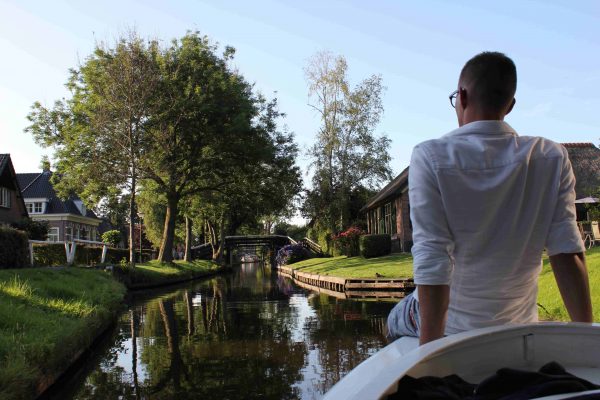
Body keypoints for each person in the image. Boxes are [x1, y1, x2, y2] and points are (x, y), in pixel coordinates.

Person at [387, 51, 593, 346]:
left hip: (454, 328)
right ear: (509, 105)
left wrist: (429, 357)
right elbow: (566, 251)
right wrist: (588, 343)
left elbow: (433, 255)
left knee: (394, 318)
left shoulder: (430, 156)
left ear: (462, 96)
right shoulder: (549, 156)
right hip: (518, 322)